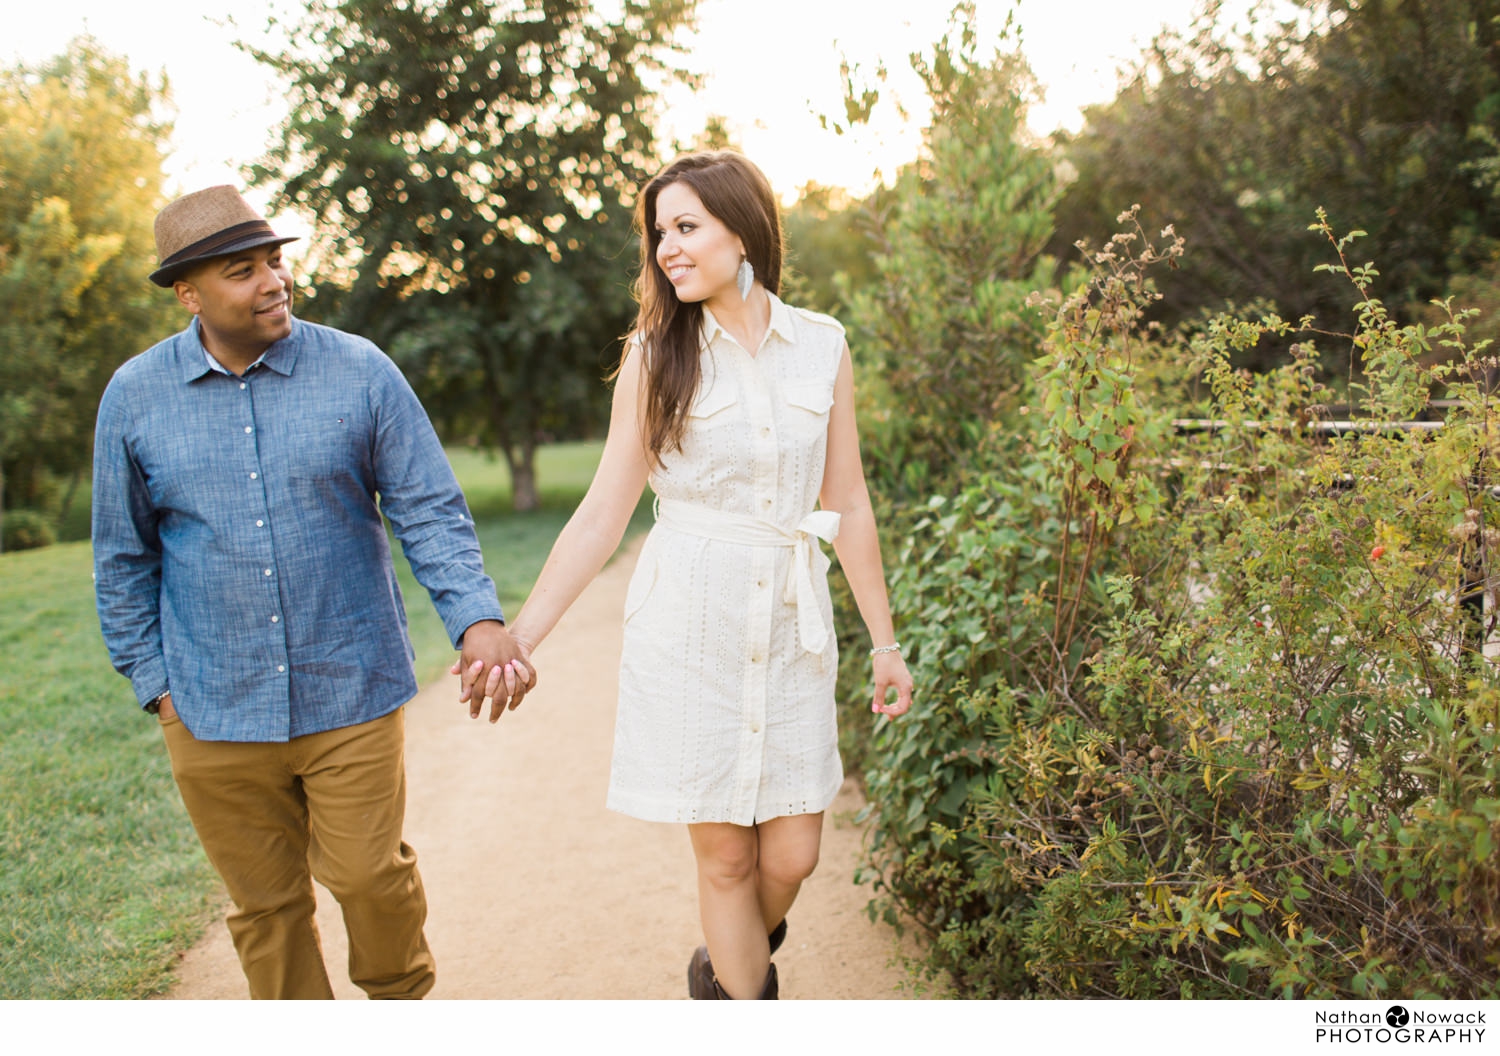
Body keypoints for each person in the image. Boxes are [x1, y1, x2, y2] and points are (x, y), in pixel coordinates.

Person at [461, 151, 914, 999]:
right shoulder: (654, 352)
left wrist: (885, 641)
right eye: (659, 231)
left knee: (793, 854)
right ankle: (742, 999)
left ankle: (726, 955)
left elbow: (847, 499)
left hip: (789, 623)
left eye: (686, 226)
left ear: (741, 230)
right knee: (728, 857)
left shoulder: (821, 346)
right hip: (690, 627)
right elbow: (603, 511)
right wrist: (521, 634)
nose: (667, 247)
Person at [91, 185, 532, 1000]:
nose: (273, 282)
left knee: (368, 877)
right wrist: (158, 689)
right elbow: (122, 558)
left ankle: (400, 1002)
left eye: (275, 261)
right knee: (267, 908)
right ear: (188, 294)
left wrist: (475, 620)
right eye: (242, 271)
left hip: (351, 686)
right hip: (211, 704)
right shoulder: (134, 397)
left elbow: (429, 509)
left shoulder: (360, 370)